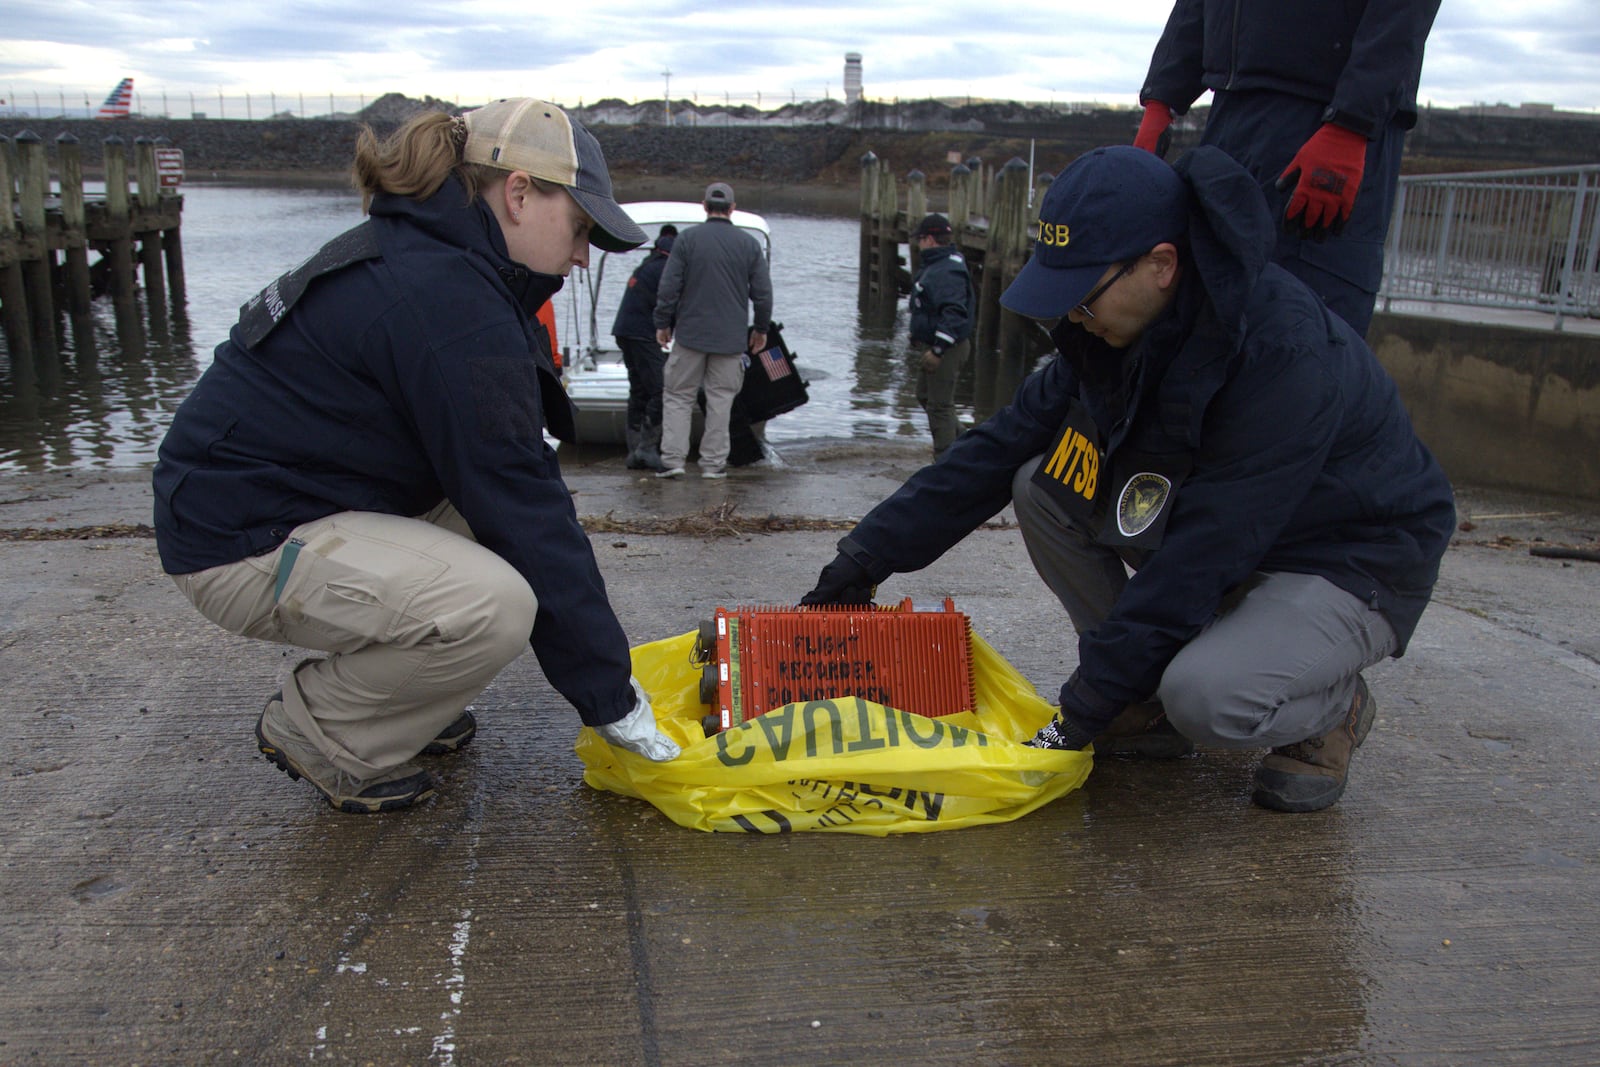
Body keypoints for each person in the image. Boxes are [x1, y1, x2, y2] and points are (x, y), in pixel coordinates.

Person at [801, 145, 1456, 813]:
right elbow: (994, 449)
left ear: (1162, 264)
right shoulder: (1110, 334)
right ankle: (1140, 701)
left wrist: (1081, 709)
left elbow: (1203, 554)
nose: (1073, 316)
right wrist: (863, 559)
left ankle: (1332, 707)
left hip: (1348, 558)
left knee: (1207, 699)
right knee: (1038, 482)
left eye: (1084, 295)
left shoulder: (1283, 356)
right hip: (1235, 536)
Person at [151, 99, 682, 815]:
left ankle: (397, 704)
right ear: (518, 194)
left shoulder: (433, 258)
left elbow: (511, 490)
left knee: (497, 542)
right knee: (495, 606)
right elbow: (524, 505)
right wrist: (610, 699)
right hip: (238, 535)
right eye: (582, 227)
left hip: (295, 495)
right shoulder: (446, 298)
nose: (584, 254)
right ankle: (324, 728)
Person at [1132, 0, 1442, 337]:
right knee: (1210, 323)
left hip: (1324, 120)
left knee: (1303, 337)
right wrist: (1162, 97)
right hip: (1232, 108)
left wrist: (1351, 122)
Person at [652, 181, 774, 480]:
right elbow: (763, 293)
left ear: (704, 206)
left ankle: (673, 461)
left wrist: (662, 322)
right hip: (731, 340)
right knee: (721, 400)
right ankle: (713, 465)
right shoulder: (749, 245)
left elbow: (669, 286)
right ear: (732, 209)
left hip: (691, 335)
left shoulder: (687, 240)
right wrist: (760, 328)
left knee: (679, 396)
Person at [907, 213, 976, 456]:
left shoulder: (947, 270)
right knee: (925, 396)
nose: (918, 244)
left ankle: (946, 463)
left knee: (939, 407)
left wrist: (938, 350)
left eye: (920, 239)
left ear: (930, 240)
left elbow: (954, 312)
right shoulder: (939, 264)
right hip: (935, 344)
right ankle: (970, 446)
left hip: (947, 347)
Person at [611, 225, 677, 469]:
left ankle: (634, 451)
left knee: (639, 390)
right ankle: (647, 449)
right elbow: (670, 302)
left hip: (624, 331)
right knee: (661, 389)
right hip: (641, 333)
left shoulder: (647, 265)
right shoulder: (666, 269)